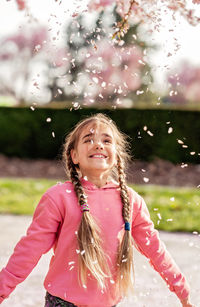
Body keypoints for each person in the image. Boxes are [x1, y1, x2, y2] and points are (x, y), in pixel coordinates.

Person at [0, 113, 195, 307]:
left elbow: (155, 250)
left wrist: (183, 292)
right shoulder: (58, 197)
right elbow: (29, 250)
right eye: (88, 139)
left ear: (116, 154)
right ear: (74, 155)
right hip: (62, 302)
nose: (98, 144)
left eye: (106, 140)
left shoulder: (131, 201)